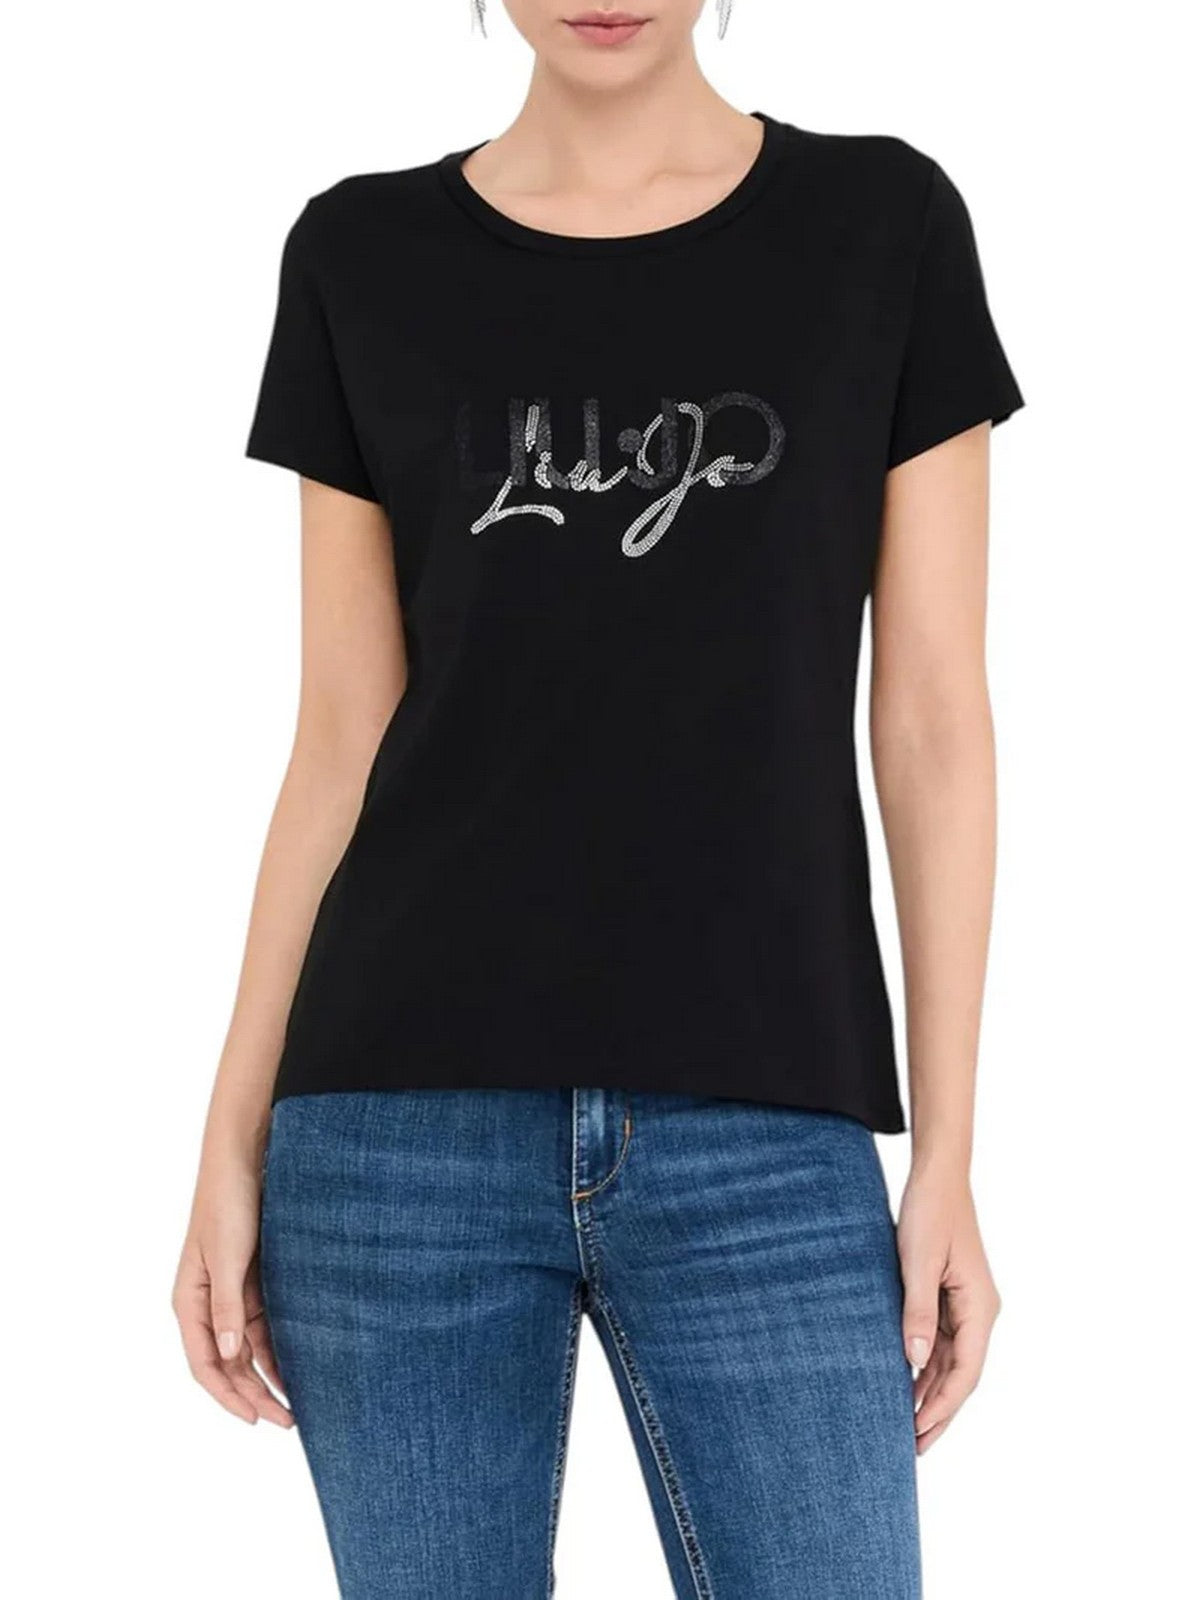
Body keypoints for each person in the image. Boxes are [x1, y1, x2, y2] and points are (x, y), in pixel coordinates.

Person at [173, 2, 1024, 1593]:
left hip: (767, 1122)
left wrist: (951, 1158)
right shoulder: (360, 254)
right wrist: (227, 1138)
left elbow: (932, 724)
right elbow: (341, 734)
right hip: (392, 1130)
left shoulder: (883, 227)